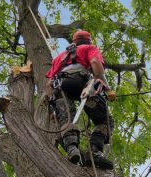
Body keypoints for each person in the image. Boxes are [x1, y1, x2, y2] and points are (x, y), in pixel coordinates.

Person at [45, 30, 115, 169]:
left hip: (59, 88)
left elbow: (48, 86)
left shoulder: (59, 57)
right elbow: (95, 63)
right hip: (80, 84)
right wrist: (107, 89)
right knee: (105, 121)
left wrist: (51, 109)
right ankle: (94, 152)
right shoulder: (90, 48)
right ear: (88, 41)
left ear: (74, 42)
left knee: (66, 119)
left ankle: (72, 149)